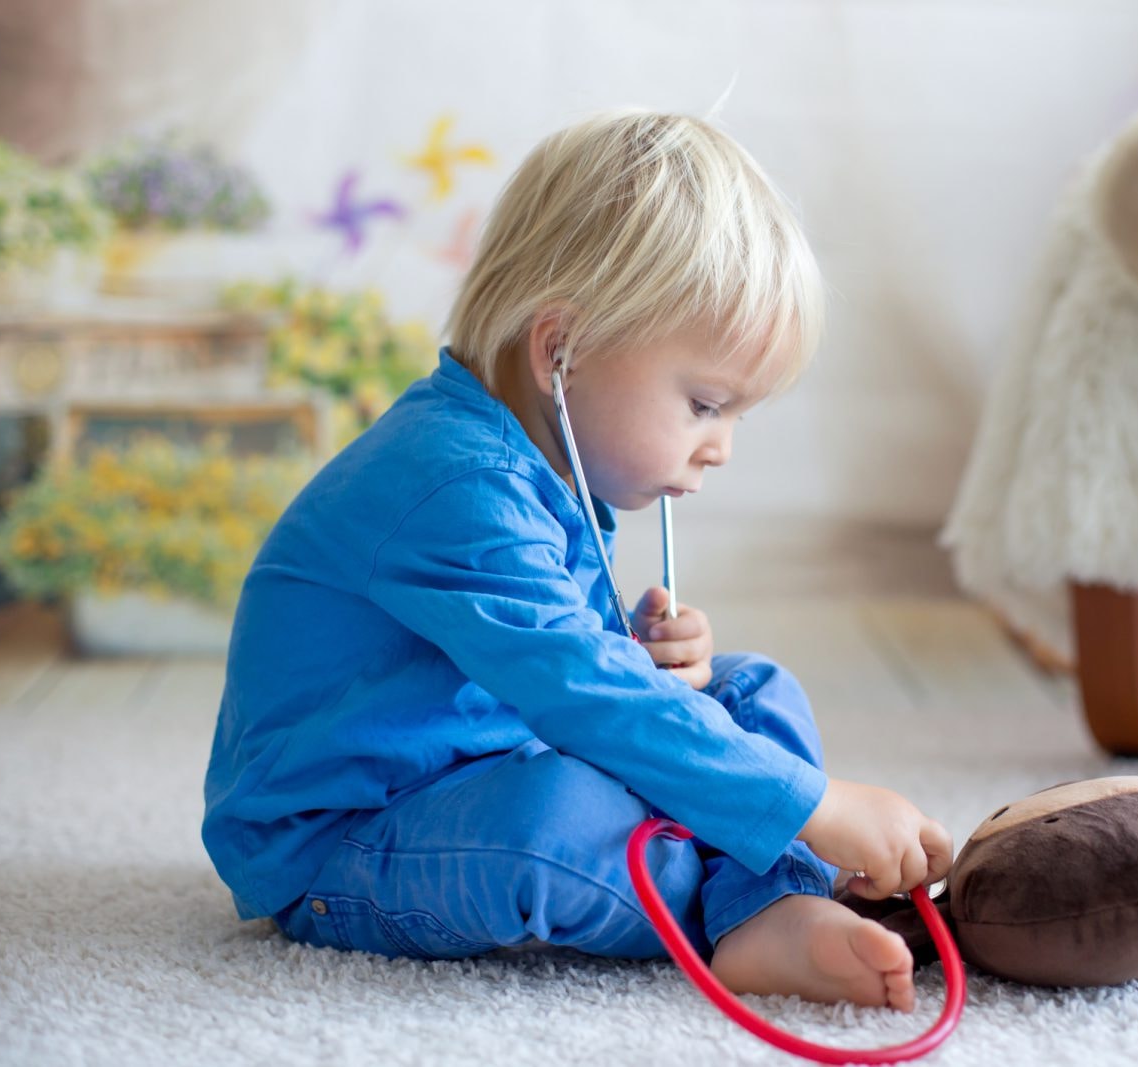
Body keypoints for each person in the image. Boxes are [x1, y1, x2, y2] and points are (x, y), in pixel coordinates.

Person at [202, 109, 953, 1012]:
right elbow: (582, 696)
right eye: (706, 403)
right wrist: (811, 803)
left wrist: (651, 664)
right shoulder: (453, 480)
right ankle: (745, 904)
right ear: (562, 351)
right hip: (342, 836)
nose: (720, 448)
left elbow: (570, 670)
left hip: (476, 754)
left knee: (752, 689)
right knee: (552, 823)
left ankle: (768, 896)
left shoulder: (535, 463)